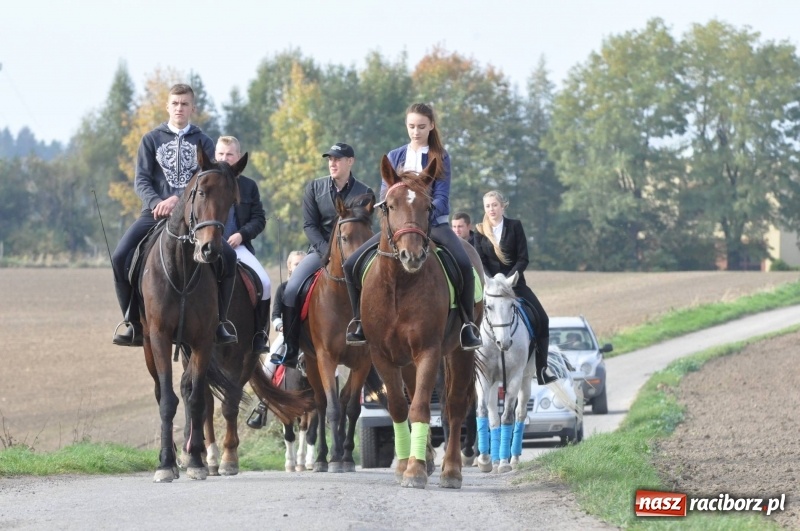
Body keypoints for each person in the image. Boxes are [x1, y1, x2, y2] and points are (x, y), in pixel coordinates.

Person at [343, 102, 481, 350]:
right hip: (398, 229)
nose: (416, 131)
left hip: (433, 224)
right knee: (351, 264)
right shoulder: (394, 156)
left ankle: (468, 325)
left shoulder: (441, 156)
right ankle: (359, 322)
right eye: (412, 126)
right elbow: (386, 194)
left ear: (431, 126)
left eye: (421, 126)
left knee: (463, 264)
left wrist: (420, 214)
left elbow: (442, 198)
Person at [111, 84, 237, 347]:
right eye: (175, 103)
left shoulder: (204, 141)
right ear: (167, 106)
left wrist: (178, 201)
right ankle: (132, 321)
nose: (180, 108)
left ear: (193, 108)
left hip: (192, 217)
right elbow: (141, 181)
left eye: (185, 104)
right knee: (120, 257)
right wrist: (157, 201)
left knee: (228, 257)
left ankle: (220, 323)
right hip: (154, 214)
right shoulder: (151, 139)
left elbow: (207, 183)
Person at [270, 143, 375, 369]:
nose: (332, 163)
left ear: (350, 161)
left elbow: (366, 228)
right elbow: (309, 225)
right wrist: (326, 251)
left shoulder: (365, 193)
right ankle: (290, 347)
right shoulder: (314, 188)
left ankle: (378, 344)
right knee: (291, 289)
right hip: (320, 250)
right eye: (330, 159)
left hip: (355, 253)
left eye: (338, 159)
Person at [473, 190, 556, 384]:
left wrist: (508, 280)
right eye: (488, 206)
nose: (491, 209)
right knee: (468, 318)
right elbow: (480, 260)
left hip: (514, 284)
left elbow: (523, 258)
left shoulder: (515, 226)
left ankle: (542, 369)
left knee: (542, 319)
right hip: (490, 287)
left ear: (502, 206)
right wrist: (492, 281)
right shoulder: (479, 231)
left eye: (495, 205)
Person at [215, 136, 272, 354]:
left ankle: (259, 334)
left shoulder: (249, 186)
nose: (224, 158)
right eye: (221, 154)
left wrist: (241, 235)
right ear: (215, 156)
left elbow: (259, 218)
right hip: (208, 246)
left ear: (238, 157)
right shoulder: (205, 182)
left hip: (238, 248)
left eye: (229, 154)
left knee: (265, 283)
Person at [247, 250, 306, 429]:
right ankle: (263, 404)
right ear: (289, 267)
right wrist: (281, 326)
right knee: (268, 365)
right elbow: (275, 315)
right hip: (287, 334)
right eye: (296, 264)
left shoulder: (312, 287)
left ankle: (332, 403)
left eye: (303, 264)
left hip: (310, 335)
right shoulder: (283, 288)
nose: (300, 267)